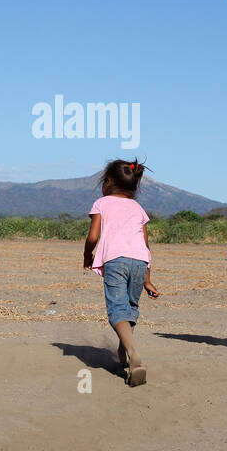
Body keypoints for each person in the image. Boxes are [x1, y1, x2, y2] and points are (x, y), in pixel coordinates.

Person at [82, 160, 160, 386]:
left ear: (108, 182)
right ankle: (124, 352)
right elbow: (145, 245)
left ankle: (133, 354)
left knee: (117, 308)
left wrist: (88, 255)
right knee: (130, 308)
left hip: (116, 260)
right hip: (139, 262)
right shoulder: (138, 209)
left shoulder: (102, 203)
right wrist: (148, 280)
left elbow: (93, 236)